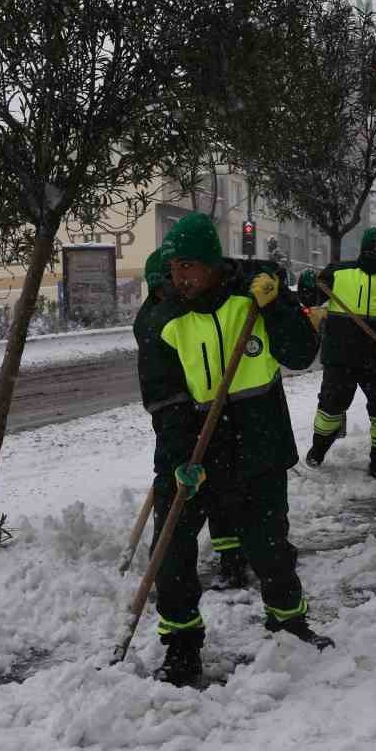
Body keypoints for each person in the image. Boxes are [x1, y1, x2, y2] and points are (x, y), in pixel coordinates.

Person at [141, 213, 330, 685]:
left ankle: (290, 623)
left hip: (257, 443)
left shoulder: (254, 297)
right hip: (193, 450)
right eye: (174, 267)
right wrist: (183, 457)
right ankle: (182, 649)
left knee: (270, 547)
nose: (180, 276)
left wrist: (279, 307)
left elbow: (300, 354)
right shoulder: (162, 317)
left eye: (189, 267)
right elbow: (163, 398)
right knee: (173, 555)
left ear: (212, 264)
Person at [133, 246, 247, 591]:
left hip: (216, 421)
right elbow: (164, 393)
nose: (167, 292)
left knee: (223, 498)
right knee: (179, 504)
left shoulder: (196, 307)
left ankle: (232, 559)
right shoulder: (155, 320)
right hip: (179, 425)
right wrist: (179, 445)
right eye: (160, 286)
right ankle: (170, 577)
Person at [303, 227, 376, 488]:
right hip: (340, 357)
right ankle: (318, 450)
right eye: (371, 250)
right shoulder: (337, 272)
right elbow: (310, 298)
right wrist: (308, 283)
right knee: (330, 409)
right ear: (363, 249)